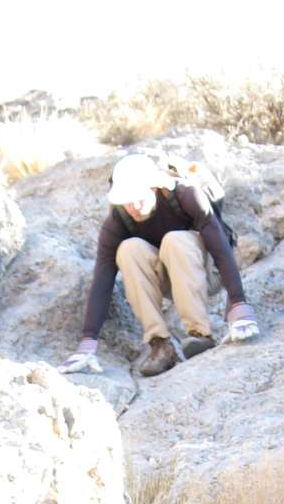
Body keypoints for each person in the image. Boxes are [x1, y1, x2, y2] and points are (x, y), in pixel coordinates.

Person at [60, 154, 260, 377]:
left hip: (207, 273)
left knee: (175, 240)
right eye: (127, 201)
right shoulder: (117, 221)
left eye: (139, 198)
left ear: (154, 188)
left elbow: (221, 246)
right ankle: (160, 345)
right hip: (170, 281)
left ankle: (199, 335)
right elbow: (102, 279)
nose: (134, 207)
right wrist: (87, 343)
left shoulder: (186, 195)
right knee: (128, 249)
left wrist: (238, 304)